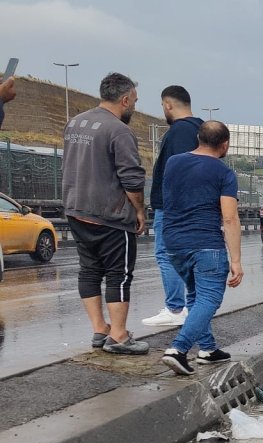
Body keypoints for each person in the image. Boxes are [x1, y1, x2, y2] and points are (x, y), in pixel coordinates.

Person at [62, 72, 148, 355]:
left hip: (77, 209)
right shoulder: (119, 131)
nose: (134, 106)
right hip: (110, 215)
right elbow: (132, 179)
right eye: (134, 100)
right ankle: (119, 336)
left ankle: (100, 329)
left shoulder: (75, 123)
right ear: (124, 100)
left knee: (89, 270)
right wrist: (139, 211)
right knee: (118, 274)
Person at [159, 121, 244, 375]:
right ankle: (178, 349)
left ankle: (207, 348)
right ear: (225, 144)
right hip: (206, 243)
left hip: (173, 242)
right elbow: (230, 218)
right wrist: (236, 260)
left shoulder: (173, 162)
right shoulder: (224, 173)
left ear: (199, 138)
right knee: (209, 298)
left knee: (195, 295)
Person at [141, 86, 203, 327]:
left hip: (172, 207)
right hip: (194, 206)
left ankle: (175, 308)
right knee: (187, 258)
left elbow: (179, 171)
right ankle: (191, 307)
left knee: (167, 255)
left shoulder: (179, 132)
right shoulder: (200, 129)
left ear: (168, 104)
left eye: (162, 106)